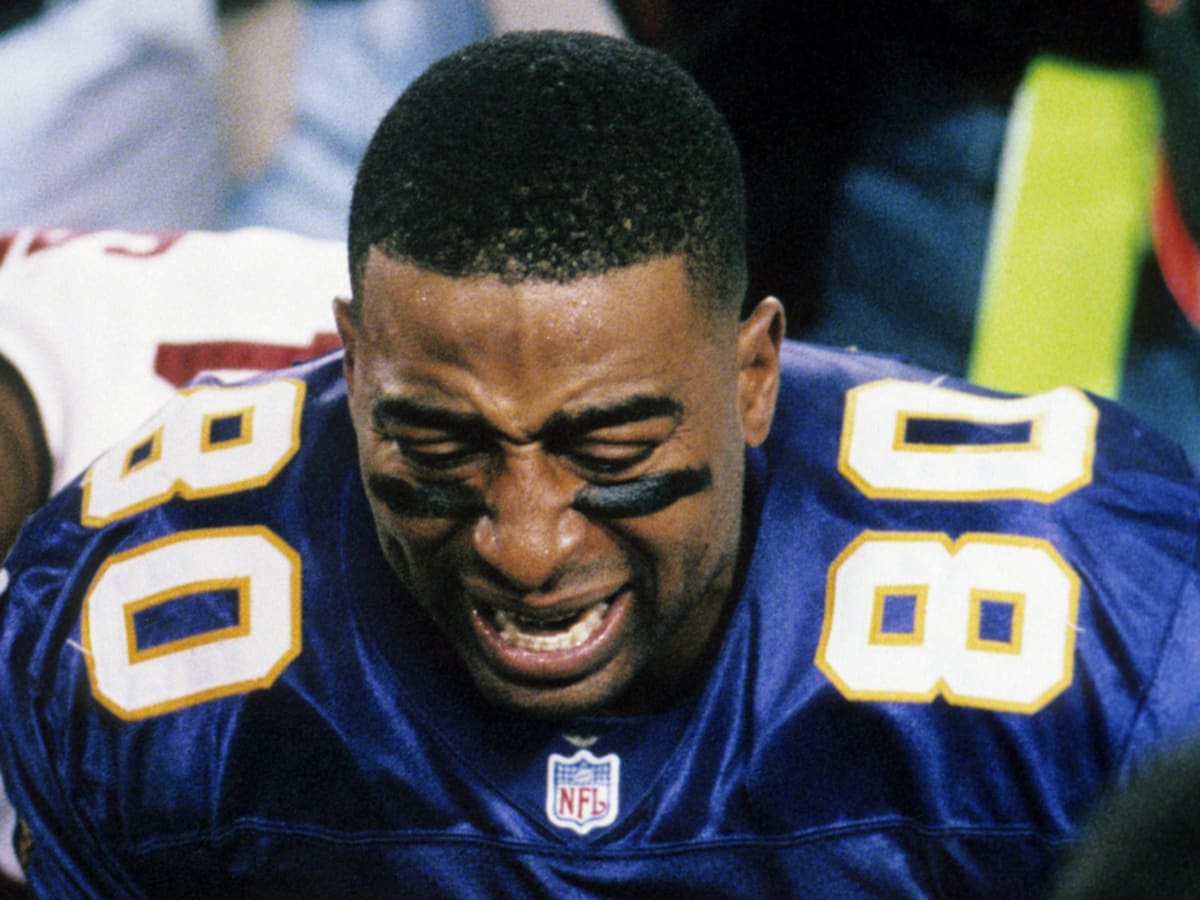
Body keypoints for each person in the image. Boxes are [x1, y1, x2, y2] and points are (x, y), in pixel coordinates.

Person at [2, 31, 1200, 896]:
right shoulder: (125, 635)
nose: (527, 545)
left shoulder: (1115, 619)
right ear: (354, 366)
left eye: (611, 445)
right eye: (442, 443)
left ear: (755, 375)